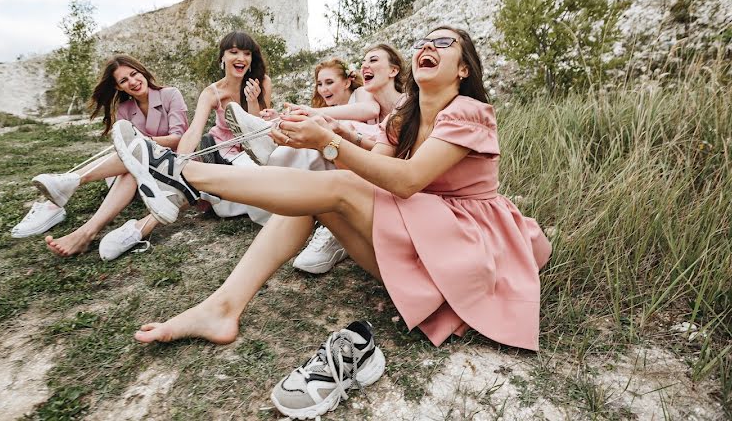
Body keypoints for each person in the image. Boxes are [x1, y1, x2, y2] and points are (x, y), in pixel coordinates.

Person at [111, 25, 552, 354]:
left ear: (462, 68)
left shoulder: (470, 112)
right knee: (322, 192)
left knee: (336, 185)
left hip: (467, 249)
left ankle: (184, 177)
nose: (426, 48)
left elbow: (407, 179)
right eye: (422, 42)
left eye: (442, 43)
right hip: (421, 241)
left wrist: (328, 141)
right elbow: (375, 169)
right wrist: (316, 134)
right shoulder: (404, 115)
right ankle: (222, 306)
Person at [225, 46, 405, 274]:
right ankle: (273, 138)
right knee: (323, 141)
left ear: (393, 70)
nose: (365, 65)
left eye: (373, 59)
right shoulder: (374, 106)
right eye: (363, 61)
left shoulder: (399, 104)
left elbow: (372, 130)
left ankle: (272, 143)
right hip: (358, 167)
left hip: (381, 178)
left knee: (331, 135)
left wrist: (321, 120)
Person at [10, 55, 188, 261]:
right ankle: (69, 203)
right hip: (139, 172)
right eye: (123, 80)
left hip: (170, 165)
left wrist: (139, 143)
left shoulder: (170, 95)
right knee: (133, 164)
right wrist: (136, 147)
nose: (132, 81)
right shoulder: (125, 109)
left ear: (143, 72)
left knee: (134, 157)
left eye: (134, 74)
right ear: (119, 88)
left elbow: (178, 138)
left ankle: (75, 196)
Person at [108, 30, 273, 239]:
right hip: (224, 152)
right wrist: (178, 164)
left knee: (276, 171)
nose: (241, 58)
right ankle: (145, 222)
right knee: (252, 186)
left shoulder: (262, 82)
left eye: (247, 53)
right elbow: (193, 131)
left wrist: (252, 101)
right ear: (222, 57)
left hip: (256, 147)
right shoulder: (211, 92)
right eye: (234, 52)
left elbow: (259, 128)